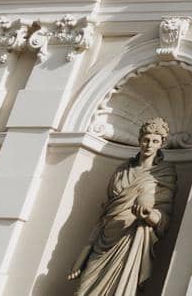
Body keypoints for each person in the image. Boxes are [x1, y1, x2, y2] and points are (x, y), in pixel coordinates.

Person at [68, 117, 179, 296]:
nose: (149, 145)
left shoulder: (163, 174)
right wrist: (84, 254)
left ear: (162, 144)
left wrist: (147, 213)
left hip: (131, 238)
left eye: (155, 141)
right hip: (104, 239)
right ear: (139, 140)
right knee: (82, 291)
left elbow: (163, 219)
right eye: (146, 139)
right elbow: (104, 213)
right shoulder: (122, 170)